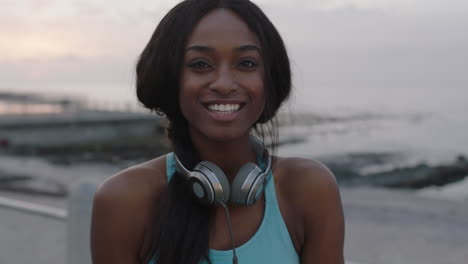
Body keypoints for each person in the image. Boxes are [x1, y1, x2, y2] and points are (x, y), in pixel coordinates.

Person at [90, 0, 345, 263]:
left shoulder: (309, 189)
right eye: (200, 64)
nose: (224, 84)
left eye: (246, 63)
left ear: (269, 79)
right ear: (170, 77)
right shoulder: (123, 200)